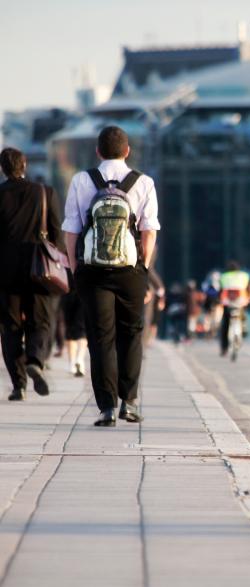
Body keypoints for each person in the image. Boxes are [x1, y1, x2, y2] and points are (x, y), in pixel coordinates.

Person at [62, 126, 159, 426]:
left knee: (100, 336)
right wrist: (143, 265)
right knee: (131, 334)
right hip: (130, 269)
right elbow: (149, 230)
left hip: (92, 269)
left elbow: (71, 230)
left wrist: (75, 267)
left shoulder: (81, 180)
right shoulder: (143, 182)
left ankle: (107, 408)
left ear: (98, 152)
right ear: (127, 151)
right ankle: (129, 402)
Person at [0, 147, 62, 400]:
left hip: (5, 270)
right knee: (41, 319)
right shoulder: (44, 193)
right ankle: (36, 359)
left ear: (3, 168)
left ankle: (19, 385)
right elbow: (56, 231)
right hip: (39, 268)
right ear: (24, 165)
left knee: (10, 326)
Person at [219, 261, 250, 356]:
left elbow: (220, 290)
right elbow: (248, 288)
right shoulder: (244, 275)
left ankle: (224, 348)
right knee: (243, 314)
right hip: (241, 299)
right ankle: (244, 327)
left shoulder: (224, 276)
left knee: (225, 323)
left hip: (227, 301)